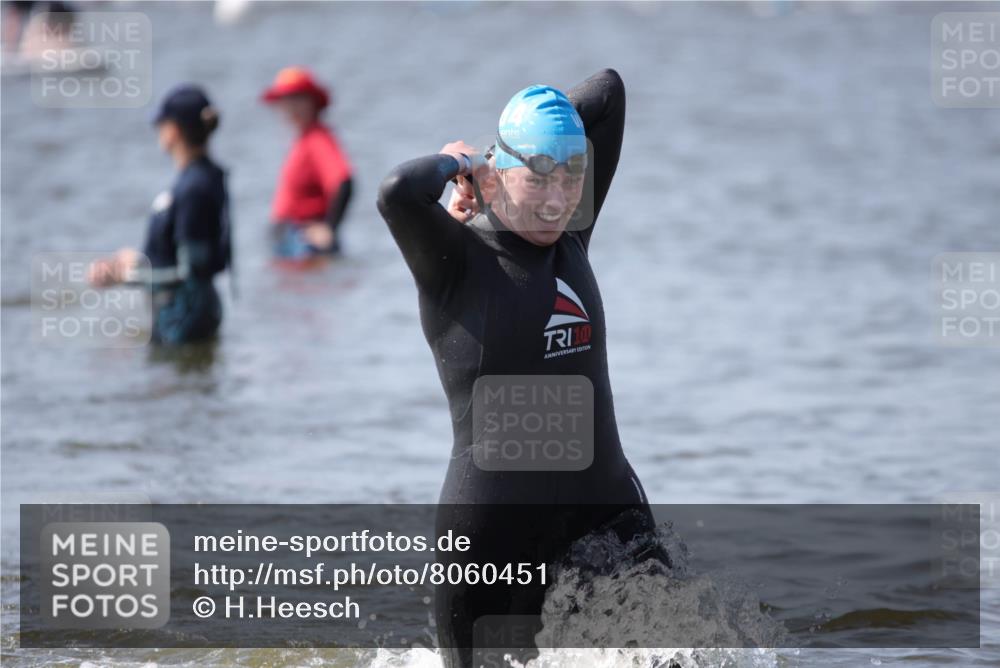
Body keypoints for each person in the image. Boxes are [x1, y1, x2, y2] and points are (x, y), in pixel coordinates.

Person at [377, 69, 670, 667]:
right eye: (537, 176)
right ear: (500, 172)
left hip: (603, 515)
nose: (558, 199)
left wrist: (528, 146)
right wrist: (460, 163)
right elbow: (397, 191)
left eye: (571, 175)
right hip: (492, 539)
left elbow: (608, 93)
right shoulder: (455, 258)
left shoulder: (572, 235)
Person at [89, 84, 231, 346]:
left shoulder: (193, 188)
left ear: (173, 130)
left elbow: (190, 273)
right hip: (193, 313)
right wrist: (138, 260)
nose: (158, 132)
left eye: (160, 125)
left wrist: (126, 275)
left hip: (184, 319)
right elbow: (184, 257)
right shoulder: (205, 176)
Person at [261, 66, 353, 260]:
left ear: (313, 102)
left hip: (303, 241)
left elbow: (344, 181)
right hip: (290, 239)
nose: (289, 106)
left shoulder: (317, 139)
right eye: (284, 100)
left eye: (297, 99)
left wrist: (329, 228)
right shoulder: (303, 140)